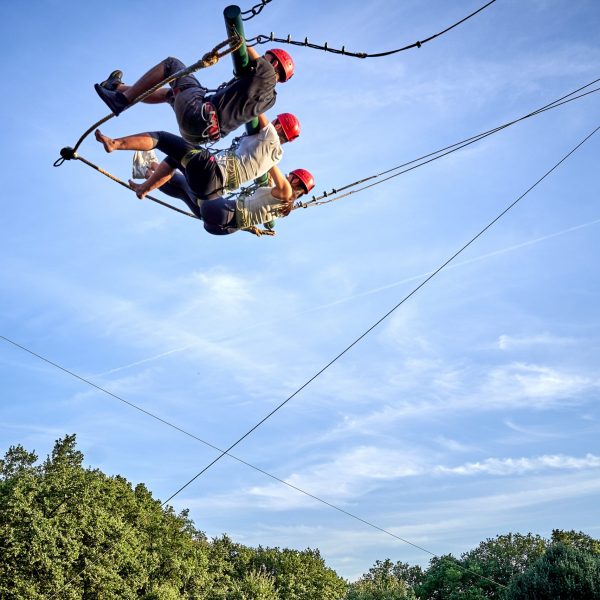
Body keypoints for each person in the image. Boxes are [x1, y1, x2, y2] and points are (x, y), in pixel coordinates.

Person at [94, 46, 294, 144]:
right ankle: (117, 87)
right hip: (200, 135)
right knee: (171, 94)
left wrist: (245, 45)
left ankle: (121, 100)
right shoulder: (271, 99)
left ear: (274, 63)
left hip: (200, 112)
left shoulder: (267, 72)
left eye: (268, 58)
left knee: (172, 65)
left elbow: (243, 44)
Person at [95, 108, 299, 196]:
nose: (272, 122)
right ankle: (143, 189)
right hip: (212, 189)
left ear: (279, 127)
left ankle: (115, 143)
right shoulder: (275, 158)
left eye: (276, 122)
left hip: (212, 169)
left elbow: (255, 107)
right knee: (176, 157)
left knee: (162, 138)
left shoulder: (271, 136)